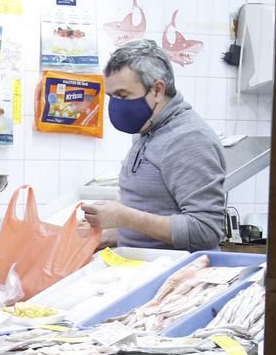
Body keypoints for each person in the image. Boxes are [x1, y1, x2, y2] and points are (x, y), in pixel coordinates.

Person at [79, 39, 227, 251]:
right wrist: (113, 235)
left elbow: (205, 231)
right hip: (141, 269)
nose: (116, 106)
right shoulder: (147, 130)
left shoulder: (188, 139)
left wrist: (125, 218)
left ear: (157, 90)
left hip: (172, 277)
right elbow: (153, 208)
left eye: (123, 95)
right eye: (111, 97)